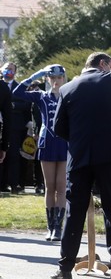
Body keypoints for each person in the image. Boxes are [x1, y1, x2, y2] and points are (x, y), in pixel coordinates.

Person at [50, 52, 111, 279]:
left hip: (79, 159)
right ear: (103, 64)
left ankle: (65, 268)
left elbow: (59, 127)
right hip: (109, 156)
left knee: (73, 212)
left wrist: (78, 141)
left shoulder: (67, 88)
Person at [11, 64, 70, 240]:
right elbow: (17, 92)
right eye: (52, 78)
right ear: (47, 79)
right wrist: (34, 76)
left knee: (61, 187)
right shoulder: (41, 96)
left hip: (64, 143)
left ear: (63, 79)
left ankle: (58, 228)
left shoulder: (68, 96)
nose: (56, 81)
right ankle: (50, 226)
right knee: (49, 186)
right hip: (46, 143)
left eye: (59, 78)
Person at [0, 62, 26, 194]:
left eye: (11, 69)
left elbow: (26, 104)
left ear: (15, 72)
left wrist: (11, 106)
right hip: (1, 126)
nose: (8, 71)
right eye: (6, 69)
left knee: (14, 156)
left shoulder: (19, 88)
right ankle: (2, 184)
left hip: (15, 127)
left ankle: (14, 184)